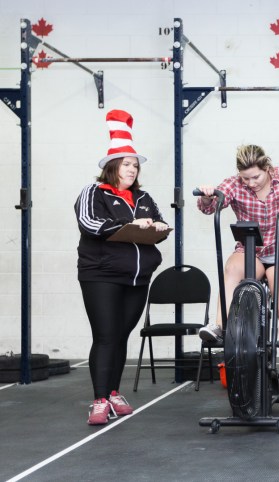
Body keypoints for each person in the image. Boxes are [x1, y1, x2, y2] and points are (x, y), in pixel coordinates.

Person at [196, 144, 279, 406]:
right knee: (232, 269)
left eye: (256, 177)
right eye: (245, 178)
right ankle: (220, 326)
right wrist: (209, 196)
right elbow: (209, 207)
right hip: (252, 250)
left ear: (268, 168)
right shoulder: (235, 184)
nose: (251, 183)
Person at [75, 110, 170, 425]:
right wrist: (129, 224)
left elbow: (159, 224)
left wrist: (157, 227)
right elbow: (89, 223)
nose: (132, 169)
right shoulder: (93, 193)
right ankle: (99, 400)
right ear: (112, 166)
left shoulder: (144, 197)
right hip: (101, 275)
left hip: (137, 278)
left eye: (135, 165)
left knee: (120, 335)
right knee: (105, 335)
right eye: (126, 164)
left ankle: (114, 392)